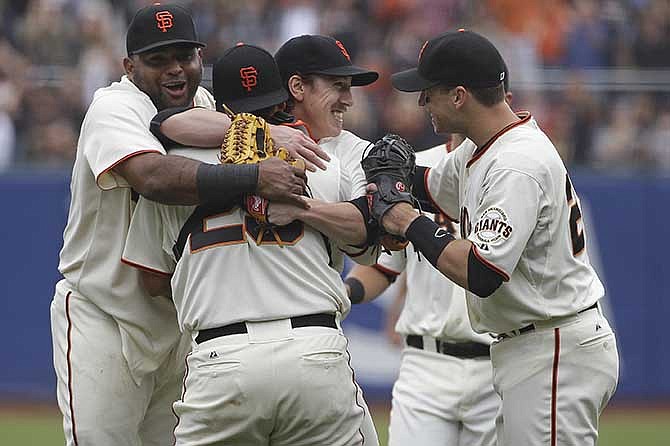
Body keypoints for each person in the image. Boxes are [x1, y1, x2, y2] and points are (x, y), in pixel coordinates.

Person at [49, 5, 325, 446]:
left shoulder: (204, 106)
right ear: (129, 66)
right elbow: (153, 178)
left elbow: (239, 130)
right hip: (107, 314)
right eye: (158, 60)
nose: (175, 70)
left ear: (201, 57)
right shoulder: (114, 106)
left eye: (185, 56)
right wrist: (255, 172)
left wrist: (260, 131)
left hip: (181, 324)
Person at [122, 42, 380, 445]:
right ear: (282, 99)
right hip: (315, 349)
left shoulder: (177, 170)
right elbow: (366, 242)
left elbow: (151, 281)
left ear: (218, 105)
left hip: (222, 356)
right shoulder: (321, 159)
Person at [375, 30, 619, 445]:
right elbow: (429, 185)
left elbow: (482, 272)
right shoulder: (483, 148)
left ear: (458, 95)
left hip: (552, 346)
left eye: (428, 92)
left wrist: (407, 222)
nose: (421, 103)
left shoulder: (515, 162)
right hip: (532, 345)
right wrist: (372, 175)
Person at [344, 75, 513, 446]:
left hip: (496, 361)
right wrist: (344, 293)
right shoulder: (416, 172)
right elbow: (385, 267)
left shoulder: (513, 173)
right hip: (425, 364)